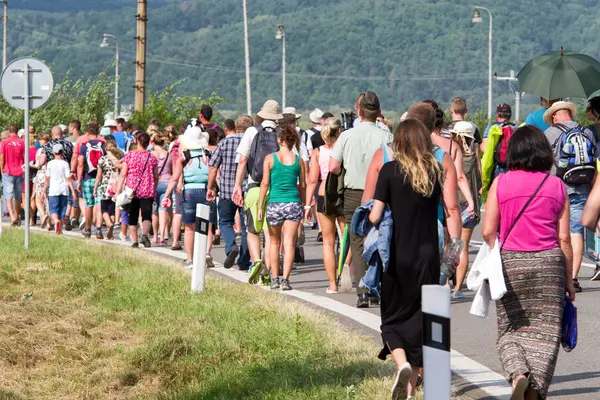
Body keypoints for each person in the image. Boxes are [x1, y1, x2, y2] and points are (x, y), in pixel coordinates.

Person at [481, 125, 575, 400]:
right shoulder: (556, 184)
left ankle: (518, 374)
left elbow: (487, 231)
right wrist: (569, 280)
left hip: (511, 263)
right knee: (545, 335)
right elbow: (565, 238)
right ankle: (534, 393)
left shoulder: (502, 182)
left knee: (510, 329)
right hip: (549, 265)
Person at [368, 119, 460, 400]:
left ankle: (402, 364)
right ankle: (414, 387)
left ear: (398, 142)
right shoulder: (434, 171)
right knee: (425, 321)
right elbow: (452, 210)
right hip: (429, 257)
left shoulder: (388, 171)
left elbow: (374, 216)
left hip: (397, 257)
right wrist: (453, 256)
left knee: (391, 318)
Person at [329, 91, 394, 308]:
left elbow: (333, 166)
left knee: (357, 240)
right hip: (381, 193)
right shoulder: (386, 136)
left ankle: (363, 290)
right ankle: (379, 286)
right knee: (381, 237)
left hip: (353, 192)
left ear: (358, 111)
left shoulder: (347, 136)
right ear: (378, 112)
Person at [544, 101, 598, 293]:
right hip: (582, 187)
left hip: (556, 188)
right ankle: (573, 277)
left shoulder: (550, 133)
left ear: (555, 117)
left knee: (555, 231)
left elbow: (543, 162)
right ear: (570, 114)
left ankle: (558, 275)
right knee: (576, 232)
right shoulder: (587, 132)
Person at [233, 100, 283, 285]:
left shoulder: (252, 131)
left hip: (254, 187)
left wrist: (238, 185)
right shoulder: (281, 134)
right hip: (275, 189)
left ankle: (256, 261)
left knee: (252, 230)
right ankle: (268, 274)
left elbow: (243, 160)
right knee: (270, 234)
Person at [258, 125, 306, 291]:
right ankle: (285, 280)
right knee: (289, 244)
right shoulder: (299, 160)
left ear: (280, 140)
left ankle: (274, 278)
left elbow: (264, 184)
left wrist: (260, 207)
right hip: (293, 203)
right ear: (293, 142)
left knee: (273, 242)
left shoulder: (270, 158)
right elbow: (304, 185)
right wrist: (304, 205)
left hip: (275, 203)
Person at [164, 126, 214, 266]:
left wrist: (166, 195)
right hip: (205, 190)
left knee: (189, 228)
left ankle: (190, 259)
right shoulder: (208, 154)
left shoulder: (184, 157)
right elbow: (215, 173)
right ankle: (206, 254)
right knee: (206, 225)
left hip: (189, 192)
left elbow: (175, 178)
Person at [208, 115, 253, 270]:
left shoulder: (224, 142)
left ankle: (231, 246)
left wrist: (210, 187)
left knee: (225, 222)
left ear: (236, 126)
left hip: (227, 191)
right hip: (247, 191)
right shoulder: (253, 142)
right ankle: (244, 260)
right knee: (247, 227)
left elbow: (213, 167)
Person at [306, 117, 345, 293]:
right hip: (343, 192)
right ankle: (345, 269)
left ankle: (332, 284)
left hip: (323, 194)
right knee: (347, 238)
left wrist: (307, 205)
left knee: (328, 242)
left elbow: (313, 180)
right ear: (339, 132)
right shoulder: (345, 149)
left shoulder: (317, 152)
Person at [450, 121, 482, 297]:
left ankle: (446, 282)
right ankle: (458, 288)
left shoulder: (450, 156)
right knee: (464, 247)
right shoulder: (473, 158)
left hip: (454, 204)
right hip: (470, 206)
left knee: (451, 246)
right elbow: (480, 182)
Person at [116, 132, 158, 248]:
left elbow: (123, 174)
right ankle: (144, 235)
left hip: (132, 191)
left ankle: (134, 241)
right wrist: (153, 188)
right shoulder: (152, 157)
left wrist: (118, 191)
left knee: (132, 215)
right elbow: (155, 176)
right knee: (146, 215)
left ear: (137, 141)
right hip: (147, 190)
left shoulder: (130, 155)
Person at [77, 123, 106, 239]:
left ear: (87, 133)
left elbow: (80, 164)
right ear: (98, 133)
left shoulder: (84, 146)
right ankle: (99, 229)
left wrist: (79, 180)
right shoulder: (103, 145)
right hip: (101, 179)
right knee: (99, 204)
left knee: (89, 205)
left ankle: (88, 229)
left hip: (87, 178)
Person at [43, 143, 77, 235]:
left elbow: (47, 178)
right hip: (64, 189)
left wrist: (44, 190)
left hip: (53, 189)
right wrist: (73, 192)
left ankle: (56, 221)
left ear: (54, 153)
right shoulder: (65, 164)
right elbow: (68, 179)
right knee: (62, 209)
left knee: (53, 209)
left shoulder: (50, 163)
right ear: (62, 153)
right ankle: (60, 230)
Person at [94, 142, 123, 240]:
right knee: (112, 210)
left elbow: (98, 176)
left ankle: (109, 223)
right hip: (116, 187)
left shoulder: (102, 159)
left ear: (106, 149)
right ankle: (110, 233)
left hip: (105, 187)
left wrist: (95, 188)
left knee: (104, 209)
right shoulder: (119, 159)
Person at [0, 124, 25, 225]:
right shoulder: (22, 142)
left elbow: (2, 157)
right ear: (17, 131)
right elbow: (24, 157)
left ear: (9, 131)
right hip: (19, 171)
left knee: (8, 195)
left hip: (8, 171)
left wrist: (1, 169)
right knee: (18, 195)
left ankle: (12, 216)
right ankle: (17, 215)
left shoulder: (4, 142)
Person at [151, 132, 171, 244]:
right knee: (163, 210)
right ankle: (163, 235)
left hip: (154, 184)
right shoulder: (168, 154)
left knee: (154, 211)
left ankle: (155, 236)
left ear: (153, 142)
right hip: (166, 183)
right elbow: (173, 170)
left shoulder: (151, 154)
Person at [32, 133, 51, 229]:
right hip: (49, 175)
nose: (39, 141)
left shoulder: (41, 150)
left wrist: (32, 164)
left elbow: (38, 164)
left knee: (38, 198)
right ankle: (48, 223)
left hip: (41, 175)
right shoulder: (52, 149)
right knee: (47, 198)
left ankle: (43, 215)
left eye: (40, 139)